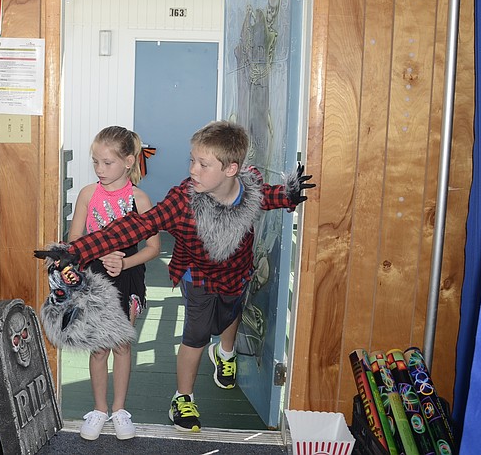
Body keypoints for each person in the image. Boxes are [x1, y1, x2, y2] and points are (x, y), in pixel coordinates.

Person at [39, 120, 313, 432]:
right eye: (192, 161)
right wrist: (80, 250)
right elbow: (136, 226)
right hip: (196, 274)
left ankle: (224, 350)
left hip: (235, 274)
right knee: (195, 335)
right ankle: (183, 398)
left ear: (231, 169)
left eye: (203, 164)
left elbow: (270, 196)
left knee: (228, 315)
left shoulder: (249, 191)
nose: (193, 170)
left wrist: (290, 194)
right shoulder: (182, 199)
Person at [68, 126, 161, 441]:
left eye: (107, 163)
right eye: (95, 162)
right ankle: (99, 408)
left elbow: (153, 248)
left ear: (128, 161)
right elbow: (75, 241)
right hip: (94, 277)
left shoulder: (140, 199)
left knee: (121, 344)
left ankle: (120, 409)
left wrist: (124, 262)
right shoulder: (87, 195)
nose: (99, 169)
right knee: (98, 347)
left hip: (128, 274)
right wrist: (92, 255)